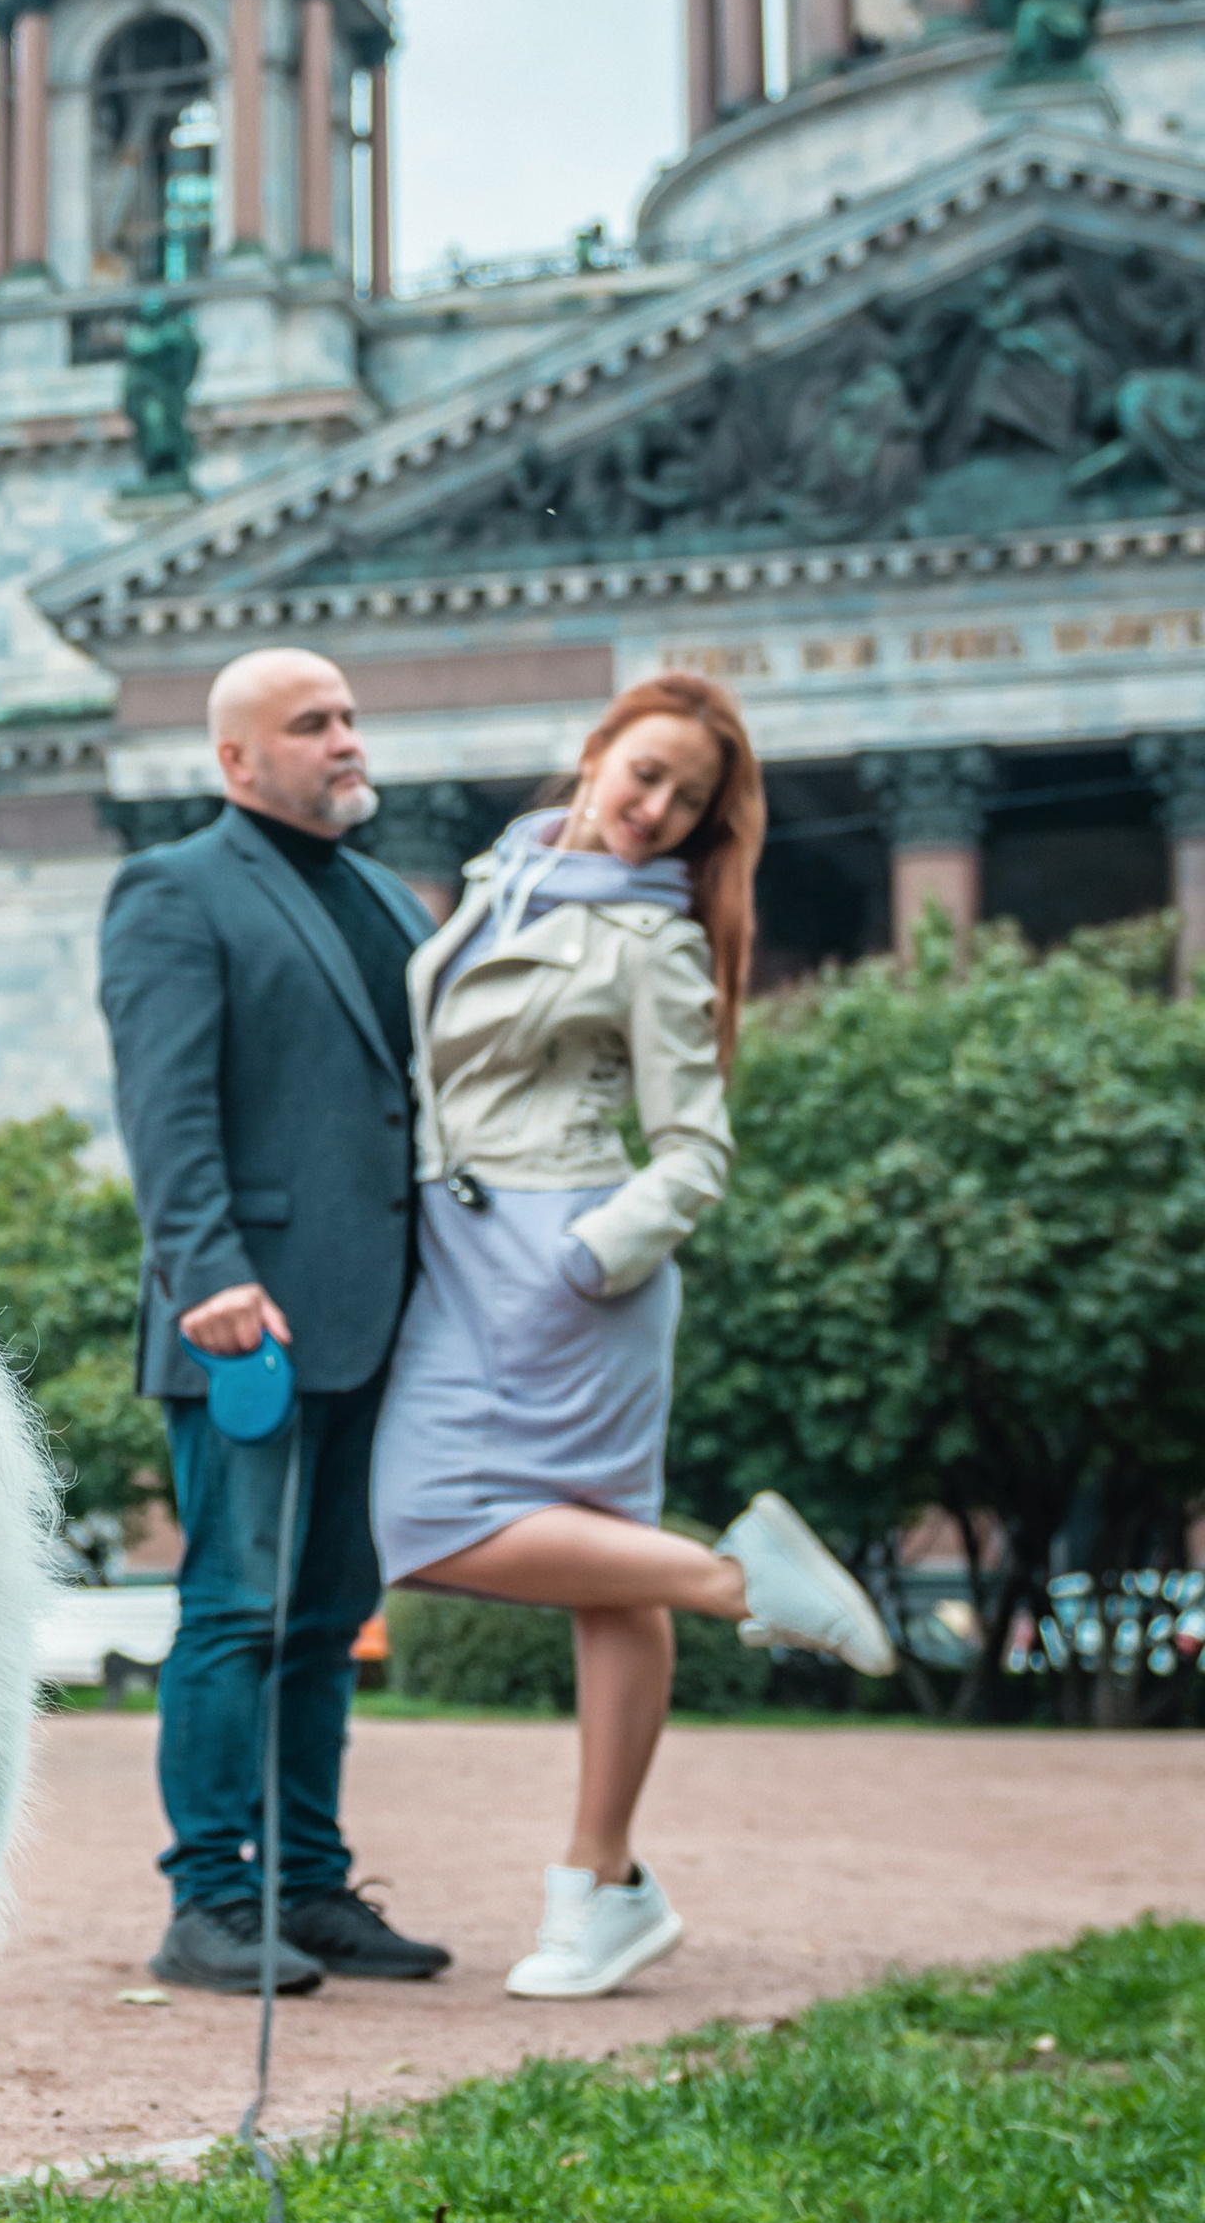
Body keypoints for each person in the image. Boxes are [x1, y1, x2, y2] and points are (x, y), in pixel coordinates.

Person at [371, 672, 896, 2006]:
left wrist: (583, 1258)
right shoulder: (514, 874)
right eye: (644, 773)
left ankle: (734, 1589)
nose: (655, 809)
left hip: (559, 1262)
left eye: (689, 799)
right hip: (474, 1248)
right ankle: (601, 1890)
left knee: (420, 1522)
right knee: (607, 1576)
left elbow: (696, 1153)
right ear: (597, 752)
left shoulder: (653, 939)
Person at [99, 647, 453, 1997]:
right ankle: (207, 1901)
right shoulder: (173, 891)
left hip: (385, 1318)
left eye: (353, 716)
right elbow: (166, 1104)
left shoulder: (382, 896)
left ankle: (307, 1888)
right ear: (238, 760)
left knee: (329, 1614)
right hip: (245, 1317)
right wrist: (206, 1272)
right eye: (313, 724)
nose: (346, 741)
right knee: (235, 1609)